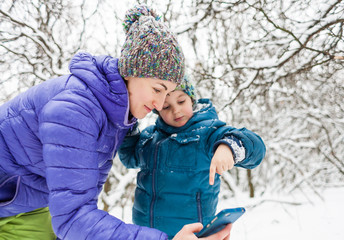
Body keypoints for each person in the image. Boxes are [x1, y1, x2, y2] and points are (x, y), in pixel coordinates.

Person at [0, 5, 232, 240]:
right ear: (132, 71)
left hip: (29, 202)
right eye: (157, 89)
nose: (161, 103)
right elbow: (73, 218)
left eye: (170, 93)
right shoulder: (76, 109)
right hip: (11, 206)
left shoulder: (115, 112)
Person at [118, 77, 266, 239]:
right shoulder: (150, 137)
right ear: (158, 109)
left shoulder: (208, 132)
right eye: (166, 107)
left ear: (191, 99)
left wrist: (230, 147)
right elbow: (129, 158)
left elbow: (256, 149)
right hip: (146, 233)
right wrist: (129, 127)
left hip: (192, 234)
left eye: (181, 101)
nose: (176, 111)